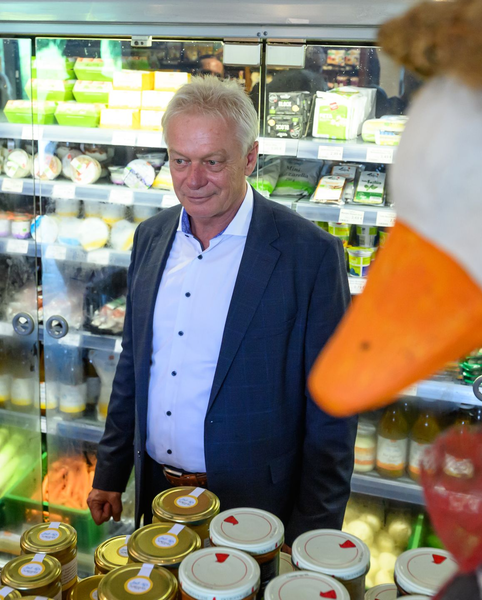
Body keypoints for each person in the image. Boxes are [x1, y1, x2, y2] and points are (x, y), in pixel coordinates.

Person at [87, 75, 357, 544]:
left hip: (257, 504)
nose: (193, 180)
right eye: (179, 161)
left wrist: (312, 532)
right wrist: (110, 471)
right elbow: (133, 363)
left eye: (212, 161)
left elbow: (333, 408)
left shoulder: (309, 255)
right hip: (156, 492)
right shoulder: (150, 238)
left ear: (250, 157)